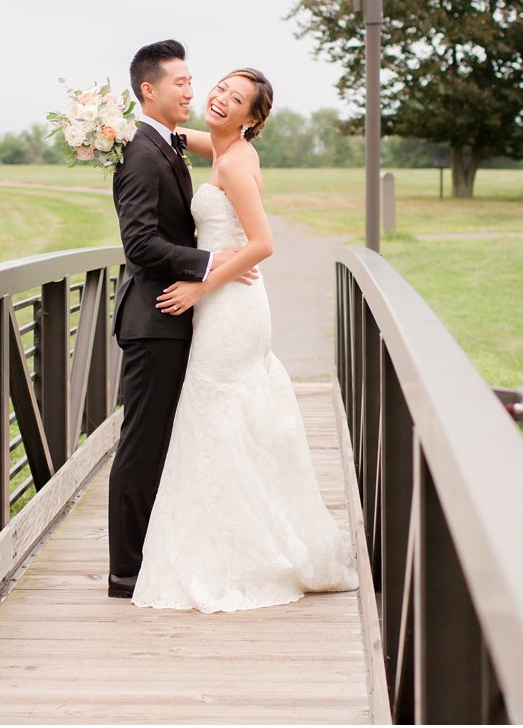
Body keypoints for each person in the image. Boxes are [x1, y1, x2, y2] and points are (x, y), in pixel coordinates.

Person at [131, 68, 359, 612]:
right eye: (218, 89)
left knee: (213, 413)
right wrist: (122, 129)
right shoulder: (223, 145)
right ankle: (243, 531)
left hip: (230, 305)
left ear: (252, 119)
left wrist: (198, 287)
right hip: (226, 301)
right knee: (225, 417)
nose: (218, 98)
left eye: (235, 99)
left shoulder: (233, 163)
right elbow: (178, 136)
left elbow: (262, 244)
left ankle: (237, 552)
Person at [106, 39, 251, 600]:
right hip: (154, 318)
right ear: (150, 90)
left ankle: (148, 557)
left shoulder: (163, 142)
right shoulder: (141, 154)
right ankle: (126, 570)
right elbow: (140, 243)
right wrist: (213, 262)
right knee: (141, 446)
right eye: (182, 83)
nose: (192, 90)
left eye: (195, 82)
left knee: (161, 441)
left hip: (170, 316)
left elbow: (228, 147)